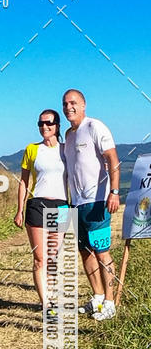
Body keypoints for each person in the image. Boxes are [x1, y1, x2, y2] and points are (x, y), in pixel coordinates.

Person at [62, 90, 120, 321]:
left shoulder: (95, 126)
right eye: (65, 104)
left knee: (102, 252)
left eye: (73, 103)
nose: (69, 107)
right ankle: (96, 296)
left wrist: (114, 192)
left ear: (83, 104)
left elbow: (113, 159)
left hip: (97, 201)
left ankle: (109, 301)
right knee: (84, 251)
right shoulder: (68, 135)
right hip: (76, 204)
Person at [14, 109, 68, 315]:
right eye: (41, 123)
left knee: (53, 257)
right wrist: (19, 209)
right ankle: (45, 304)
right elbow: (24, 181)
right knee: (40, 258)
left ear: (57, 125)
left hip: (62, 205)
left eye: (49, 123)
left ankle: (52, 298)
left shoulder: (66, 149)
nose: (44, 127)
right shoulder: (31, 149)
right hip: (38, 205)